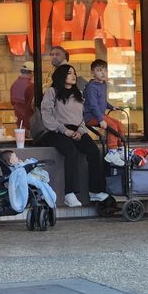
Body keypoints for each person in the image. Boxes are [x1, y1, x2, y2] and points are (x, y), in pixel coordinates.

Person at [40, 65, 108, 207]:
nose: (73, 76)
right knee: (71, 152)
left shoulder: (78, 94)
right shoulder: (52, 92)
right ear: (61, 75)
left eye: (74, 73)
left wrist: (81, 131)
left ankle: (95, 191)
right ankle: (69, 193)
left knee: (94, 151)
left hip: (78, 130)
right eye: (69, 73)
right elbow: (46, 115)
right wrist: (64, 130)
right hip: (57, 131)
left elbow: (82, 117)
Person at [83, 59, 124, 165]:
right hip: (91, 116)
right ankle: (112, 151)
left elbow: (102, 101)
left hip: (100, 115)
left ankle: (120, 149)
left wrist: (111, 107)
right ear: (93, 72)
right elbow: (93, 105)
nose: (103, 73)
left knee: (119, 125)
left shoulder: (103, 84)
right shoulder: (91, 86)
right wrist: (101, 119)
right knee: (112, 126)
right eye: (99, 70)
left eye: (105, 70)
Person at [10, 62, 35, 131]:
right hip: (30, 124)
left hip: (19, 123)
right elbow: (34, 106)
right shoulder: (31, 86)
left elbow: (12, 102)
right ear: (32, 73)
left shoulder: (14, 85)